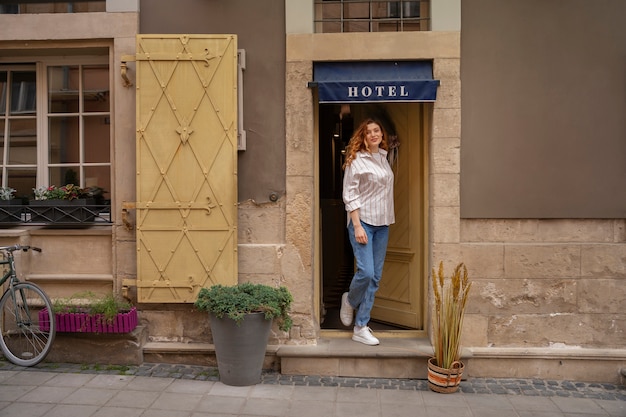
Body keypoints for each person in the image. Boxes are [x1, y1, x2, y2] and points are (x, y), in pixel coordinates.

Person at [340, 118, 395, 346]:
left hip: (383, 223)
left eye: (377, 130)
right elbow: (350, 194)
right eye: (369, 132)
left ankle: (361, 326)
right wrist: (357, 225)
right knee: (366, 272)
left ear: (382, 134)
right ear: (362, 137)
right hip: (363, 223)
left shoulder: (384, 157)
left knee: (376, 278)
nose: (373, 134)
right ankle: (350, 300)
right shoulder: (356, 160)